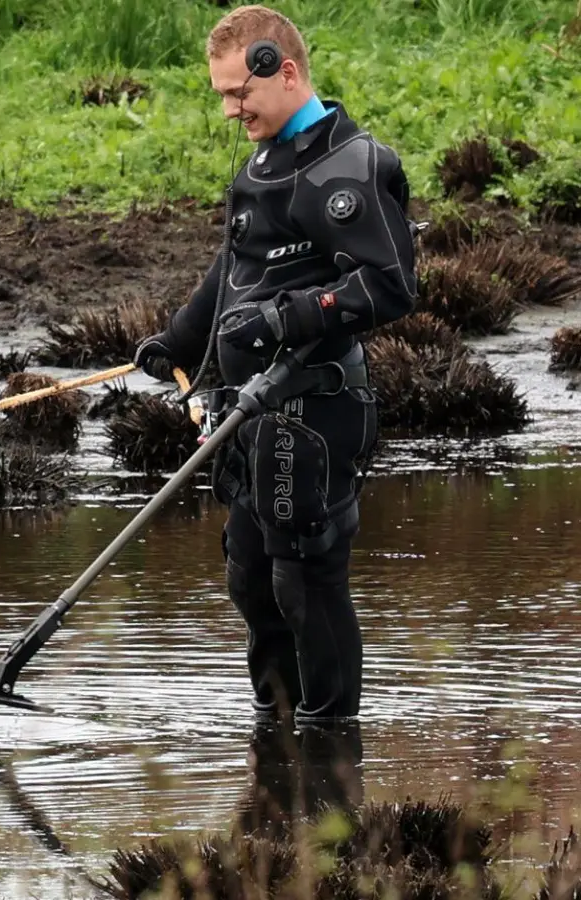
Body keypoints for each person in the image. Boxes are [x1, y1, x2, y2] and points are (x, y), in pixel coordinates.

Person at [132, 6, 417, 725]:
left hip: (314, 411)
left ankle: (329, 746)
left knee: (305, 581)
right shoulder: (264, 163)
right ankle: (276, 737)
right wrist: (180, 340)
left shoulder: (347, 167)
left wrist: (286, 319)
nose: (230, 110)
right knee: (251, 578)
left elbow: (391, 287)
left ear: (283, 72)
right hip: (245, 411)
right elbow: (238, 264)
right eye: (223, 95)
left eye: (240, 95)